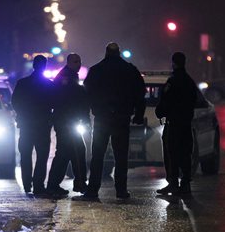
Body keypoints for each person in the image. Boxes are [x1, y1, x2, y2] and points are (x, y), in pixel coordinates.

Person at [82, 42, 146, 200]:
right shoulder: (130, 70)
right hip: (122, 118)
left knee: (97, 155)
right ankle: (121, 190)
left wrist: (91, 110)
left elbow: (87, 92)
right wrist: (138, 115)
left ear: (106, 53)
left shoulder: (96, 70)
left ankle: (93, 190)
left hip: (102, 118)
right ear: (119, 52)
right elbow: (140, 93)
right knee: (121, 156)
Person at [46, 53, 90, 196]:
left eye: (79, 61)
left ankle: (54, 184)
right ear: (70, 62)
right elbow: (74, 100)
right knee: (77, 151)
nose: (78, 64)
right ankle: (79, 183)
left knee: (65, 153)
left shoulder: (67, 76)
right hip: (67, 121)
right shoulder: (67, 78)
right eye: (76, 61)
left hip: (65, 120)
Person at [155, 52, 197, 195]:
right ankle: (185, 185)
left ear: (173, 63)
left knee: (171, 153)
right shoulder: (190, 81)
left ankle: (173, 183)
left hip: (173, 124)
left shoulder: (172, 81)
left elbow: (164, 102)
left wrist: (160, 112)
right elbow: (195, 101)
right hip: (186, 124)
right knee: (185, 153)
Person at [11, 55, 54, 195]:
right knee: (42, 156)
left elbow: (15, 102)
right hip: (42, 125)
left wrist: (22, 115)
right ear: (44, 66)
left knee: (26, 155)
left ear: (33, 65)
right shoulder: (48, 84)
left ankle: (27, 184)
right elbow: (55, 103)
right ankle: (38, 185)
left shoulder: (22, 83)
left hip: (26, 124)